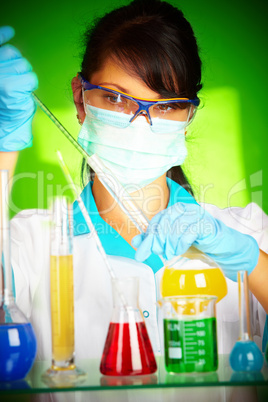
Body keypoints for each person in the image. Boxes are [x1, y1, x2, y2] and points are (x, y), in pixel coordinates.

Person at [0, 0, 268, 364]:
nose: (141, 124)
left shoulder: (247, 234)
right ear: (81, 98)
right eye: (115, 98)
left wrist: (250, 261)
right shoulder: (28, 244)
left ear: (188, 116)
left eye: (165, 106)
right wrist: (4, 150)